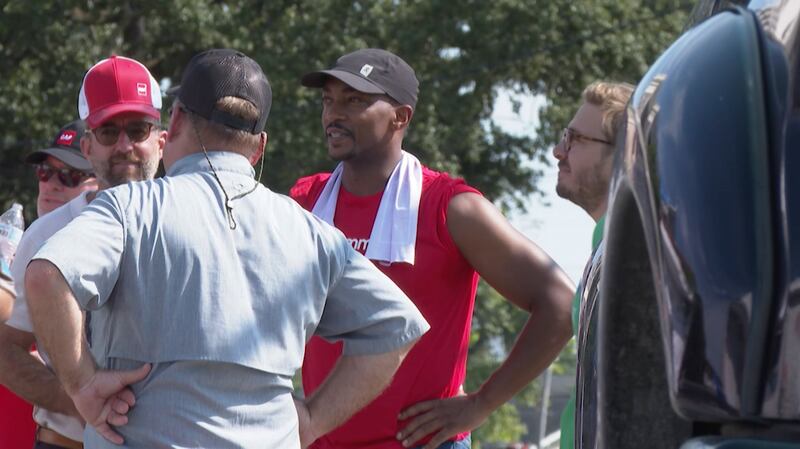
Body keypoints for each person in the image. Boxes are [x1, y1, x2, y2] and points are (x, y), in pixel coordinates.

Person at [24, 48, 429, 449]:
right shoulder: (311, 233)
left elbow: (47, 275)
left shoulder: (132, 208)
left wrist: (83, 384)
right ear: (260, 146)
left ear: (177, 120)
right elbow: (396, 325)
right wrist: (311, 420)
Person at [290, 48, 575, 449]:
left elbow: (562, 304)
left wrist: (481, 404)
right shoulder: (304, 200)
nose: (334, 114)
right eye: (328, 100)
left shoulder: (450, 207)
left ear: (401, 117)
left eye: (354, 101)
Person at [1, 55, 165, 449]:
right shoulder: (46, 233)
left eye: (137, 129)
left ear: (160, 141)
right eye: (109, 132)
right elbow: (5, 349)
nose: (124, 145)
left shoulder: (196, 222)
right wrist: (78, 399)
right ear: (88, 146)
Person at [0, 120, 98, 449]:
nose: (52, 185)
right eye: (45, 172)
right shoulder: (23, 242)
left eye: (69, 175)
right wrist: (77, 398)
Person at [551, 81, 634, 449]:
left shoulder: (633, 253)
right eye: (563, 137)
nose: (558, 151)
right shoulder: (609, 242)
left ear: (625, 154)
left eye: (575, 141)